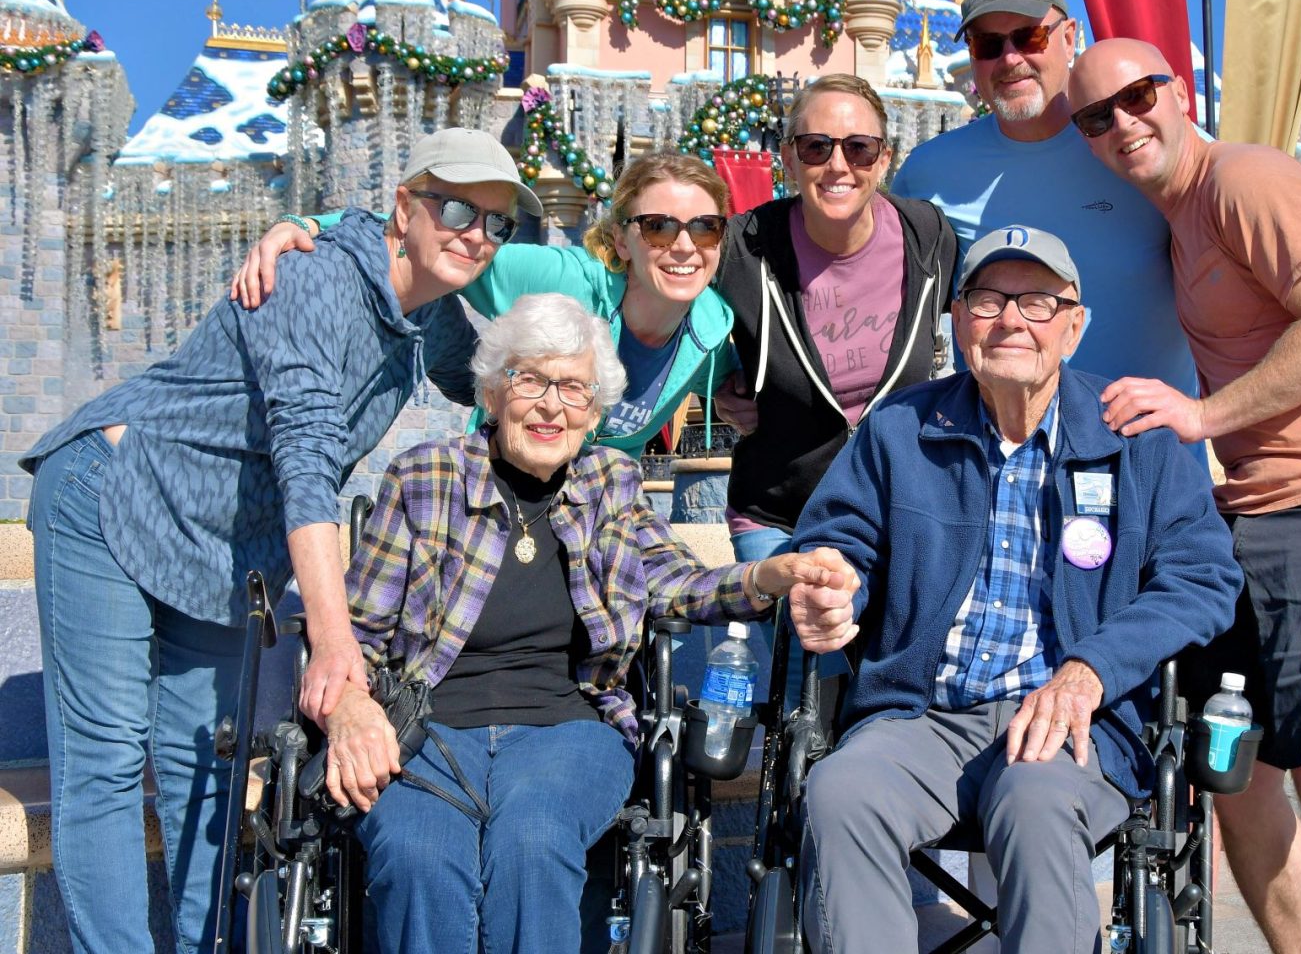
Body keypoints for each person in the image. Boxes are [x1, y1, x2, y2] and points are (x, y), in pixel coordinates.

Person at [21, 127, 539, 954]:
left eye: (496, 223)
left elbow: (520, 381)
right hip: (113, 498)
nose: (475, 232)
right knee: (110, 766)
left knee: (208, 778)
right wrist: (334, 647)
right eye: (455, 207)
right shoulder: (312, 279)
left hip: (219, 551)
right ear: (405, 208)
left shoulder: (429, 316)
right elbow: (306, 459)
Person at [320, 293, 855, 952]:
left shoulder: (610, 484)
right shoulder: (425, 477)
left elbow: (679, 585)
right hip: (430, 731)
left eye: (574, 388)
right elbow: (358, 633)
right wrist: (349, 706)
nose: (551, 405)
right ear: (492, 392)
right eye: (531, 380)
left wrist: (770, 576)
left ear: (596, 412)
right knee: (416, 853)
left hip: (568, 730)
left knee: (533, 837)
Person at [1071, 38, 1301, 954]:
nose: (1122, 121)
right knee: (1235, 774)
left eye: (1139, 94)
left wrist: (1202, 415)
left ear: (1181, 92)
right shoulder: (1186, 213)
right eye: (1095, 115)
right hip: (1255, 516)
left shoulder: (1244, 179)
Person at [785, 226, 1242, 952]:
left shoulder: (1139, 438)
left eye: (1038, 302)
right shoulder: (901, 428)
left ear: (1074, 325)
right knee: (841, 794)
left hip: (1075, 726)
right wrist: (830, 582)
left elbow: (1204, 578)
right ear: (959, 319)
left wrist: (1092, 670)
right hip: (920, 714)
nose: (1012, 320)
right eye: (989, 299)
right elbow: (836, 542)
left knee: (1033, 805)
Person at [888, 0, 1301, 392]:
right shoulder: (931, 173)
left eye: (1028, 36)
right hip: (1001, 464)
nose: (1010, 59)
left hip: (1146, 461)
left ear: (1069, 38)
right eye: (987, 44)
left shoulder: (1136, 141)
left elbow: (1266, 199)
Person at [232, 151, 739, 455]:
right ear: (622, 239)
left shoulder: (713, 334)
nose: (683, 246)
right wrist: (311, 226)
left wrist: (745, 406)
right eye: (658, 225)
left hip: (597, 515)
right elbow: (431, 238)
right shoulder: (560, 279)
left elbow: (746, 390)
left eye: (705, 227)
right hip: (501, 497)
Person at [716, 72, 956, 565]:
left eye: (860, 148)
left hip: (896, 511)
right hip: (780, 516)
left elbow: (986, 325)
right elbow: (671, 312)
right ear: (788, 157)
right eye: (816, 147)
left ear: (884, 159)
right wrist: (718, 381)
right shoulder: (743, 247)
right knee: (809, 639)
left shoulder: (927, 237)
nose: (838, 165)